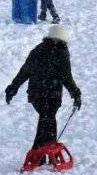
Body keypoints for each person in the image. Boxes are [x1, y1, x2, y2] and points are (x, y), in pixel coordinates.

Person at [5, 25, 82, 159]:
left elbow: (25, 71)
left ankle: (46, 154)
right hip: (52, 95)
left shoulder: (38, 50)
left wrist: (13, 88)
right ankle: (39, 154)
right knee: (48, 120)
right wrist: (76, 94)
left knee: (47, 120)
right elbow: (66, 77)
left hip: (36, 95)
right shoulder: (61, 53)